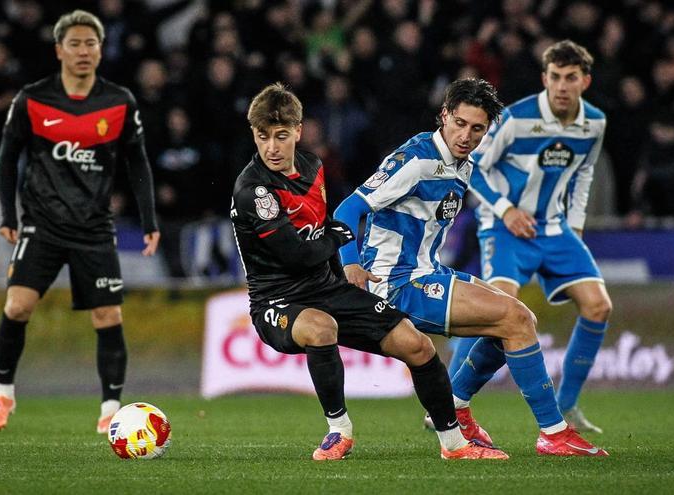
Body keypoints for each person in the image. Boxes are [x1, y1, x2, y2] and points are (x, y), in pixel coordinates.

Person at [230, 83, 505, 461]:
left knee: (418, 346)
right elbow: (296, 254)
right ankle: (338, 431)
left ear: (298, 131)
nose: (272, 148)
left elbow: (323, 229)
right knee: (320, 327)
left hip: (327, 289)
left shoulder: (313, 167)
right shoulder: (254, 191)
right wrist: (341, 242)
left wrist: (339, 255)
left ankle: (454, 445)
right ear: (254, 135)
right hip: (276, 301)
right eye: (263, 137)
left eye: (281, 136)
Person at [335, 77, 607, 456]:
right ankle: (552, 432)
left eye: (477, 128)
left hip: (429, 271)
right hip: (397, 282)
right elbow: (346, 210)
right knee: (514, 318)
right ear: (444, 116)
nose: (466, 135)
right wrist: (350, 265)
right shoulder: (417, 160)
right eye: (459, 123)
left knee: (519, 319)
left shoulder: (462, 164)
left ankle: (457, 407)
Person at [0, 10, 160, 434]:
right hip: (42, 224)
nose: (83, 51)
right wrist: (9, 214)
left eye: (91, 43)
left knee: (108, 317)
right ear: (59, 50)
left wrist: (149, 219)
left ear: (101, 50)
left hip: (94, 228)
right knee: (17, 306)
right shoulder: (32, 99)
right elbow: (8, 159)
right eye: (75, 44)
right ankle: (3, 395)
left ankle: (110, 409)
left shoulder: (119, 101)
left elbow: (137, 164)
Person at [462, 40, 612, 434]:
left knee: (598, 306)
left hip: (555, 229)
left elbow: (583, 176)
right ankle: (450, 400)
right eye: (555, 77)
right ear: (545, 79)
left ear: (585, 81)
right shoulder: (516, 118)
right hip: (505, 227)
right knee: (499, 311)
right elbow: (474, 167)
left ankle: (568, 405)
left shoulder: (594, 123)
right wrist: (505, 210)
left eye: (571, 78)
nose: (562, 86)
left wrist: (575, 227)